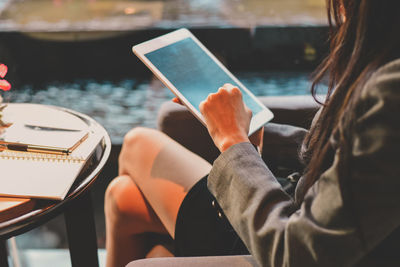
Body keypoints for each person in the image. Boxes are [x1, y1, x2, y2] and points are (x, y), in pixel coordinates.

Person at [104, 0, 400, 266]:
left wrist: (234, 141)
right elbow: (345, 155)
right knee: (122, 197)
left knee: (136, 143)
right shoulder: (384, 65)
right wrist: (249, 131)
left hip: (281, 233)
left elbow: (297, 250)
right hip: (297, 208)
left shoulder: (390, 92)